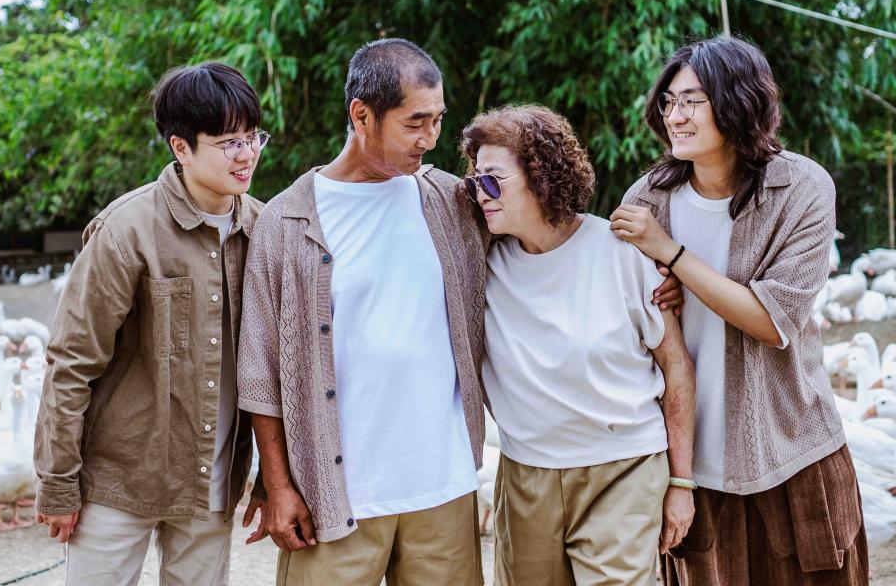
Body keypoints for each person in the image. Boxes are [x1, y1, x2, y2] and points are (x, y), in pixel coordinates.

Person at [611, 36, 867, 584]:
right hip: (691, 467)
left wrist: (672, 257)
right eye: (668, 102)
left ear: (739, 102)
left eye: (692, 101)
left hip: (792, 451)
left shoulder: (801, 188)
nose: (675, 116)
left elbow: (773, 322)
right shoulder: (647, 200)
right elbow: (624, 319)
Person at [236, 38, 488, 585]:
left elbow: (537, 247)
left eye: (438, 120)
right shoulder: (286, 222)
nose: (430, 138)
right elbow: (259, 372)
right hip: (335, 498)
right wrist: (277, 486)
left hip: (442, 488)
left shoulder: (452, 202)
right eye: (415, 122)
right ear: (362, 116)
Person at [34, 61, 267, 585]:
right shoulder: (126, 230)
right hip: (118, 481)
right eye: (229, 142)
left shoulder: (263, 229)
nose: (247, 154)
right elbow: (71, 362)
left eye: (253, 137)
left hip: (211, 480)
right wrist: (58, 483)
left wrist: (273, 480)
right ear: (181, 147)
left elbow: (275, 369)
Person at [459, 104, 696, 585]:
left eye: (493, 180)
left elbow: (676, 368)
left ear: (541, 176)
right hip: (527, 474)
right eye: (474, 181)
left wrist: (681, 482)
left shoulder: (621, 252)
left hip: (623, 471)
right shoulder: (479, 263)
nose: (481, 193)